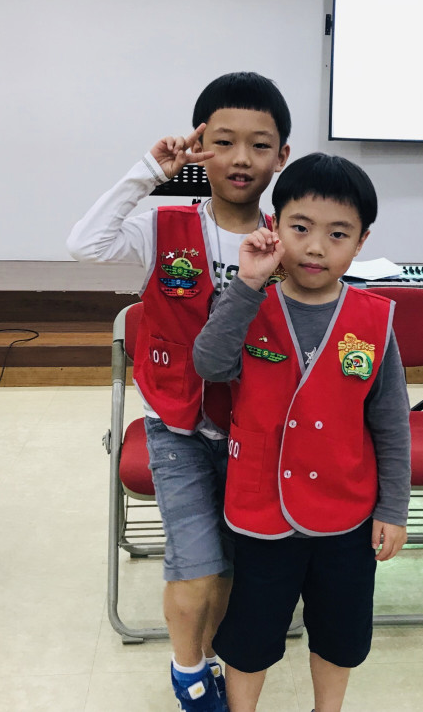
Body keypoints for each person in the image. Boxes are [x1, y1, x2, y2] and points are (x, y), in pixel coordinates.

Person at [67, 72, 291, 712]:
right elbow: (84, 245)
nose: (241, 158)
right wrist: (150, 171)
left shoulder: (288, 237)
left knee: (230, 563)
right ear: (199, 147)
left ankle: (214, 654)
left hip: (256, 430)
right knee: (196, 563)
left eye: (259, 145)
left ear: (282, 156)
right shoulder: (163, 226)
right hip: (179, 427)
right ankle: (187, 668)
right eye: (223, 141)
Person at [193, 153, 411, 712]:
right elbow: (209, 365)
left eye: (337, 234)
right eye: (300, 228)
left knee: (340, 632)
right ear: (275, 226)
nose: (316, 247)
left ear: (361, 242)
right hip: (262, 509)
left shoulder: (374, 319)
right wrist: (247, 284)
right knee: (251, 631)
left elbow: (390, 422)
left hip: (347, 512)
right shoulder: (248, 302)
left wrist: (393, 508)